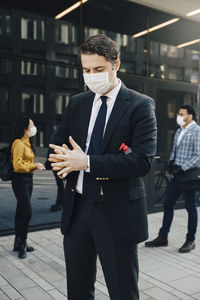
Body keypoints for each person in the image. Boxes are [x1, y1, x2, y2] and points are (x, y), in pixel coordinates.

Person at [48, 34, 157, 300]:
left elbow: (141, 161)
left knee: (122, 292)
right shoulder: (78, 103)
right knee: (78, 290)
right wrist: (62, 159)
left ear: (116, 64)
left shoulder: (140, 105)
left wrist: (85, 162)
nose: (91, 75)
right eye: (86, 70)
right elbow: (58, 144)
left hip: (116, 212)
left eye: (98, 69)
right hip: (78, 210)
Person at [145, 105, 200, 253]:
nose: (179, 116)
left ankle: (190, 240)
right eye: (178, 113)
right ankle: (163, 237)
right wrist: (171, 163)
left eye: (182, 114)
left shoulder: (197, 131)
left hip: (189, 177)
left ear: (191, 116)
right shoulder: (178, 131)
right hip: (176, 177)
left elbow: (198, 156)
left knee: (191, 208)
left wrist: (182, 167)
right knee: (168, 204)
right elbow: (174, 151)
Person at [11, 115, 45, 259]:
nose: (33, 127)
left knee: (21, 211)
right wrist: (34, 166)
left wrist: (33, 167)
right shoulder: (19, 143)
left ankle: (18, 242)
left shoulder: (27, 142)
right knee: (27, 212)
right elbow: (17, 166)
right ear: (25, 128)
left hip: (28, 180)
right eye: (31, 125)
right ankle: (22, 244)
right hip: (20, 180)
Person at [46, 118, 65, 212]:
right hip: (54, 161)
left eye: (57, 125)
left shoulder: (60, 135)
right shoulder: (54, 134)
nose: (55, 127)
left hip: (59, 162)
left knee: (60, 184)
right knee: (60, 184)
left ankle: (60, 203)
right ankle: (61, 202)